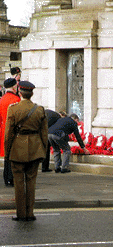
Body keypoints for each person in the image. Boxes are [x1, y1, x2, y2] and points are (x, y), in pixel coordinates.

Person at [4, 81, 48, 221]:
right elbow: (44, 134)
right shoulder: (40, 110)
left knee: (18, 183)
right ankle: (30, 213)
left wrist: (7, 152)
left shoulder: (13, 109)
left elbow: (8, 134)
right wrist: (43, 152)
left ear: (20, 92)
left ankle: (20, 214)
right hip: (35, 149)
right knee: (31, 182)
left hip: (17, 149)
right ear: (32, 93)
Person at [0, 78, 21, 186]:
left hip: (4, 132)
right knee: (14, 157)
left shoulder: (1, 100)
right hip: (14, 132)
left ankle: (6, 177)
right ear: (14, 87)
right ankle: (12, 177)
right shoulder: (16, 99)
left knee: (7, 157)